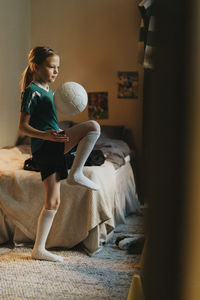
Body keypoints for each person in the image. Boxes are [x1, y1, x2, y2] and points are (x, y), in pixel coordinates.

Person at [19, 46, 101, 262]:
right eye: (51, 66)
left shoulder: (51, 92)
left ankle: (39, 249)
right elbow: (23, 127)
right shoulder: (32, 91)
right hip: (45, 147)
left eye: (58, 67)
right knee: (92, 126)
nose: (56, 71)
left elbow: (49, 121)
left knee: (53, 202)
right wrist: (48, 136)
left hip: (50, 147)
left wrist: (56, 132)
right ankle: (76, 173)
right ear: (36, 66)